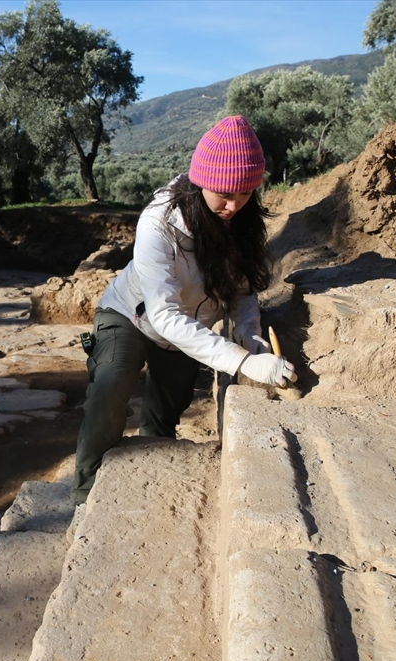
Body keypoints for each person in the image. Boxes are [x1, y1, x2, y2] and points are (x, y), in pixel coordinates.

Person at [70, 115, 295, 513]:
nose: (233, 205)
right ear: (201, 181)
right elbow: (164, 315)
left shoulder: (241, 221)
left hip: (189, 329)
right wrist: (242, 362)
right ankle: (84, 499)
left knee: (164, 415)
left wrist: (250, 335)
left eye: (245, 193)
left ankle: (152, 493)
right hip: (131, 315)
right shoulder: (158, 224)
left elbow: (243, 292)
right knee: (110, 387)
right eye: (224, 194)